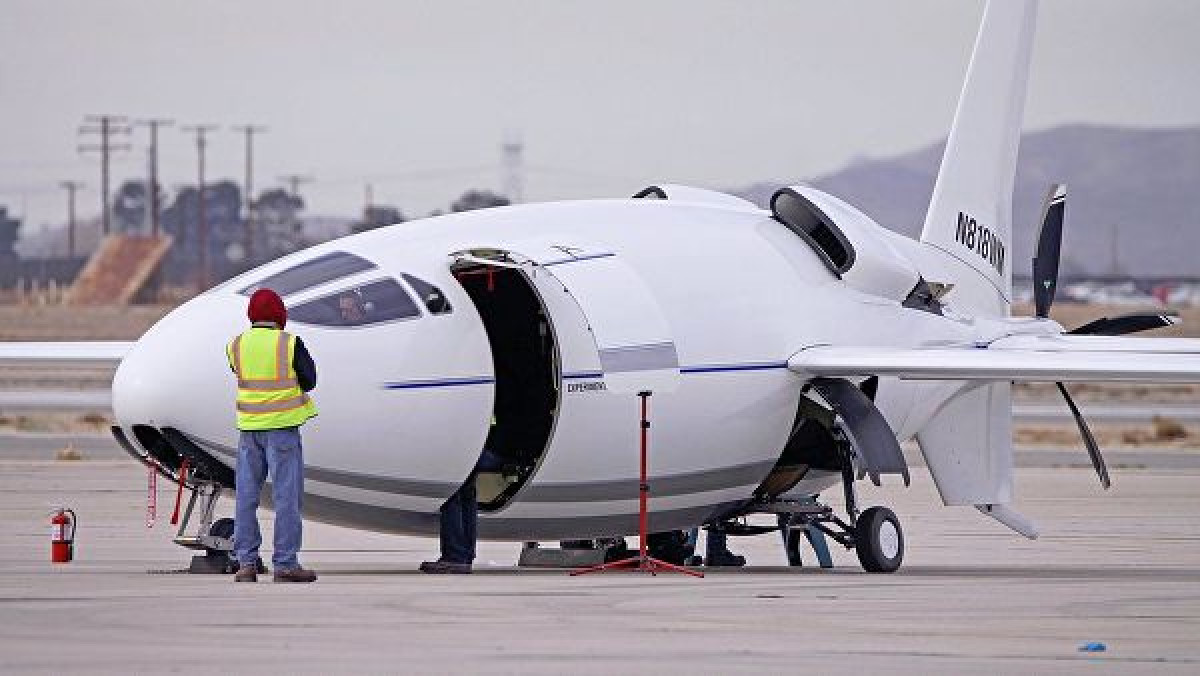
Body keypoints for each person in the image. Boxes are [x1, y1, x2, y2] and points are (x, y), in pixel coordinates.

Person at [226, 288, 319, 583]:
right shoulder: (289, 343)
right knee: (286, 498)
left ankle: (246, 564)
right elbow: (310, 379)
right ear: (280, 315)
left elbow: (237, 371)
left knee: (246, 498)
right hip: (282, 432)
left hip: (248, 431)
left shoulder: (236, 345)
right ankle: (285, 564)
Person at [420, 448, 503, 574]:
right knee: (466, 492)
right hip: (493, 452)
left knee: (451, 494)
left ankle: (455, 557)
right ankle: (464, 557)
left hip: (473, 451)